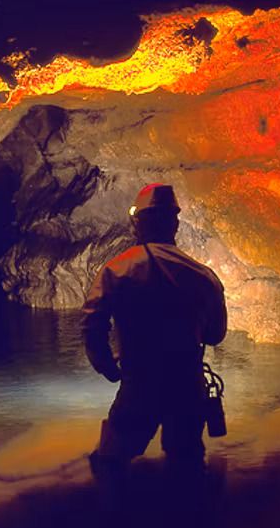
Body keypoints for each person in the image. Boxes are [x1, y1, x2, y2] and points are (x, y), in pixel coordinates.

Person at [82, 183, 228, 480]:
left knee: (112, 462)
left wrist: (107, 366)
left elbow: (92, 323)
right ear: (174, 223)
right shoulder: (203, 275)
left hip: (140, 384)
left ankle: (116, 520)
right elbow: (215, 335)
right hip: (188, 384)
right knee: (186, 465)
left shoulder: (117, 270)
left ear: (139, 222)